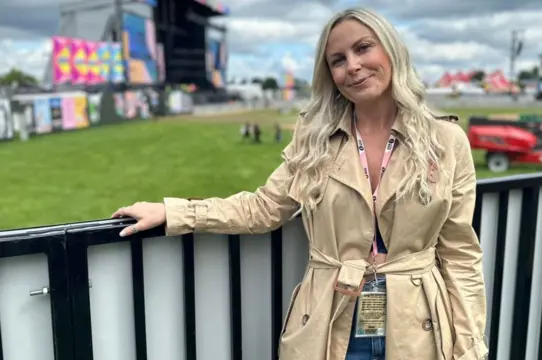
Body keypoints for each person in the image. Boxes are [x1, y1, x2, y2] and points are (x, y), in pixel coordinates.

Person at [111, 7, 488, 360]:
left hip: (419, 326)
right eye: (337, 60)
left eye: (362, 48)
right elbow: (262, 209)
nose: (352, 66)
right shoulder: (314, 139)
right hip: (328, 319)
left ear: (391, 51)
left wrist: (471, 346)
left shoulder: (445, 140)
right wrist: (173, 211)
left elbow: (459, 254)